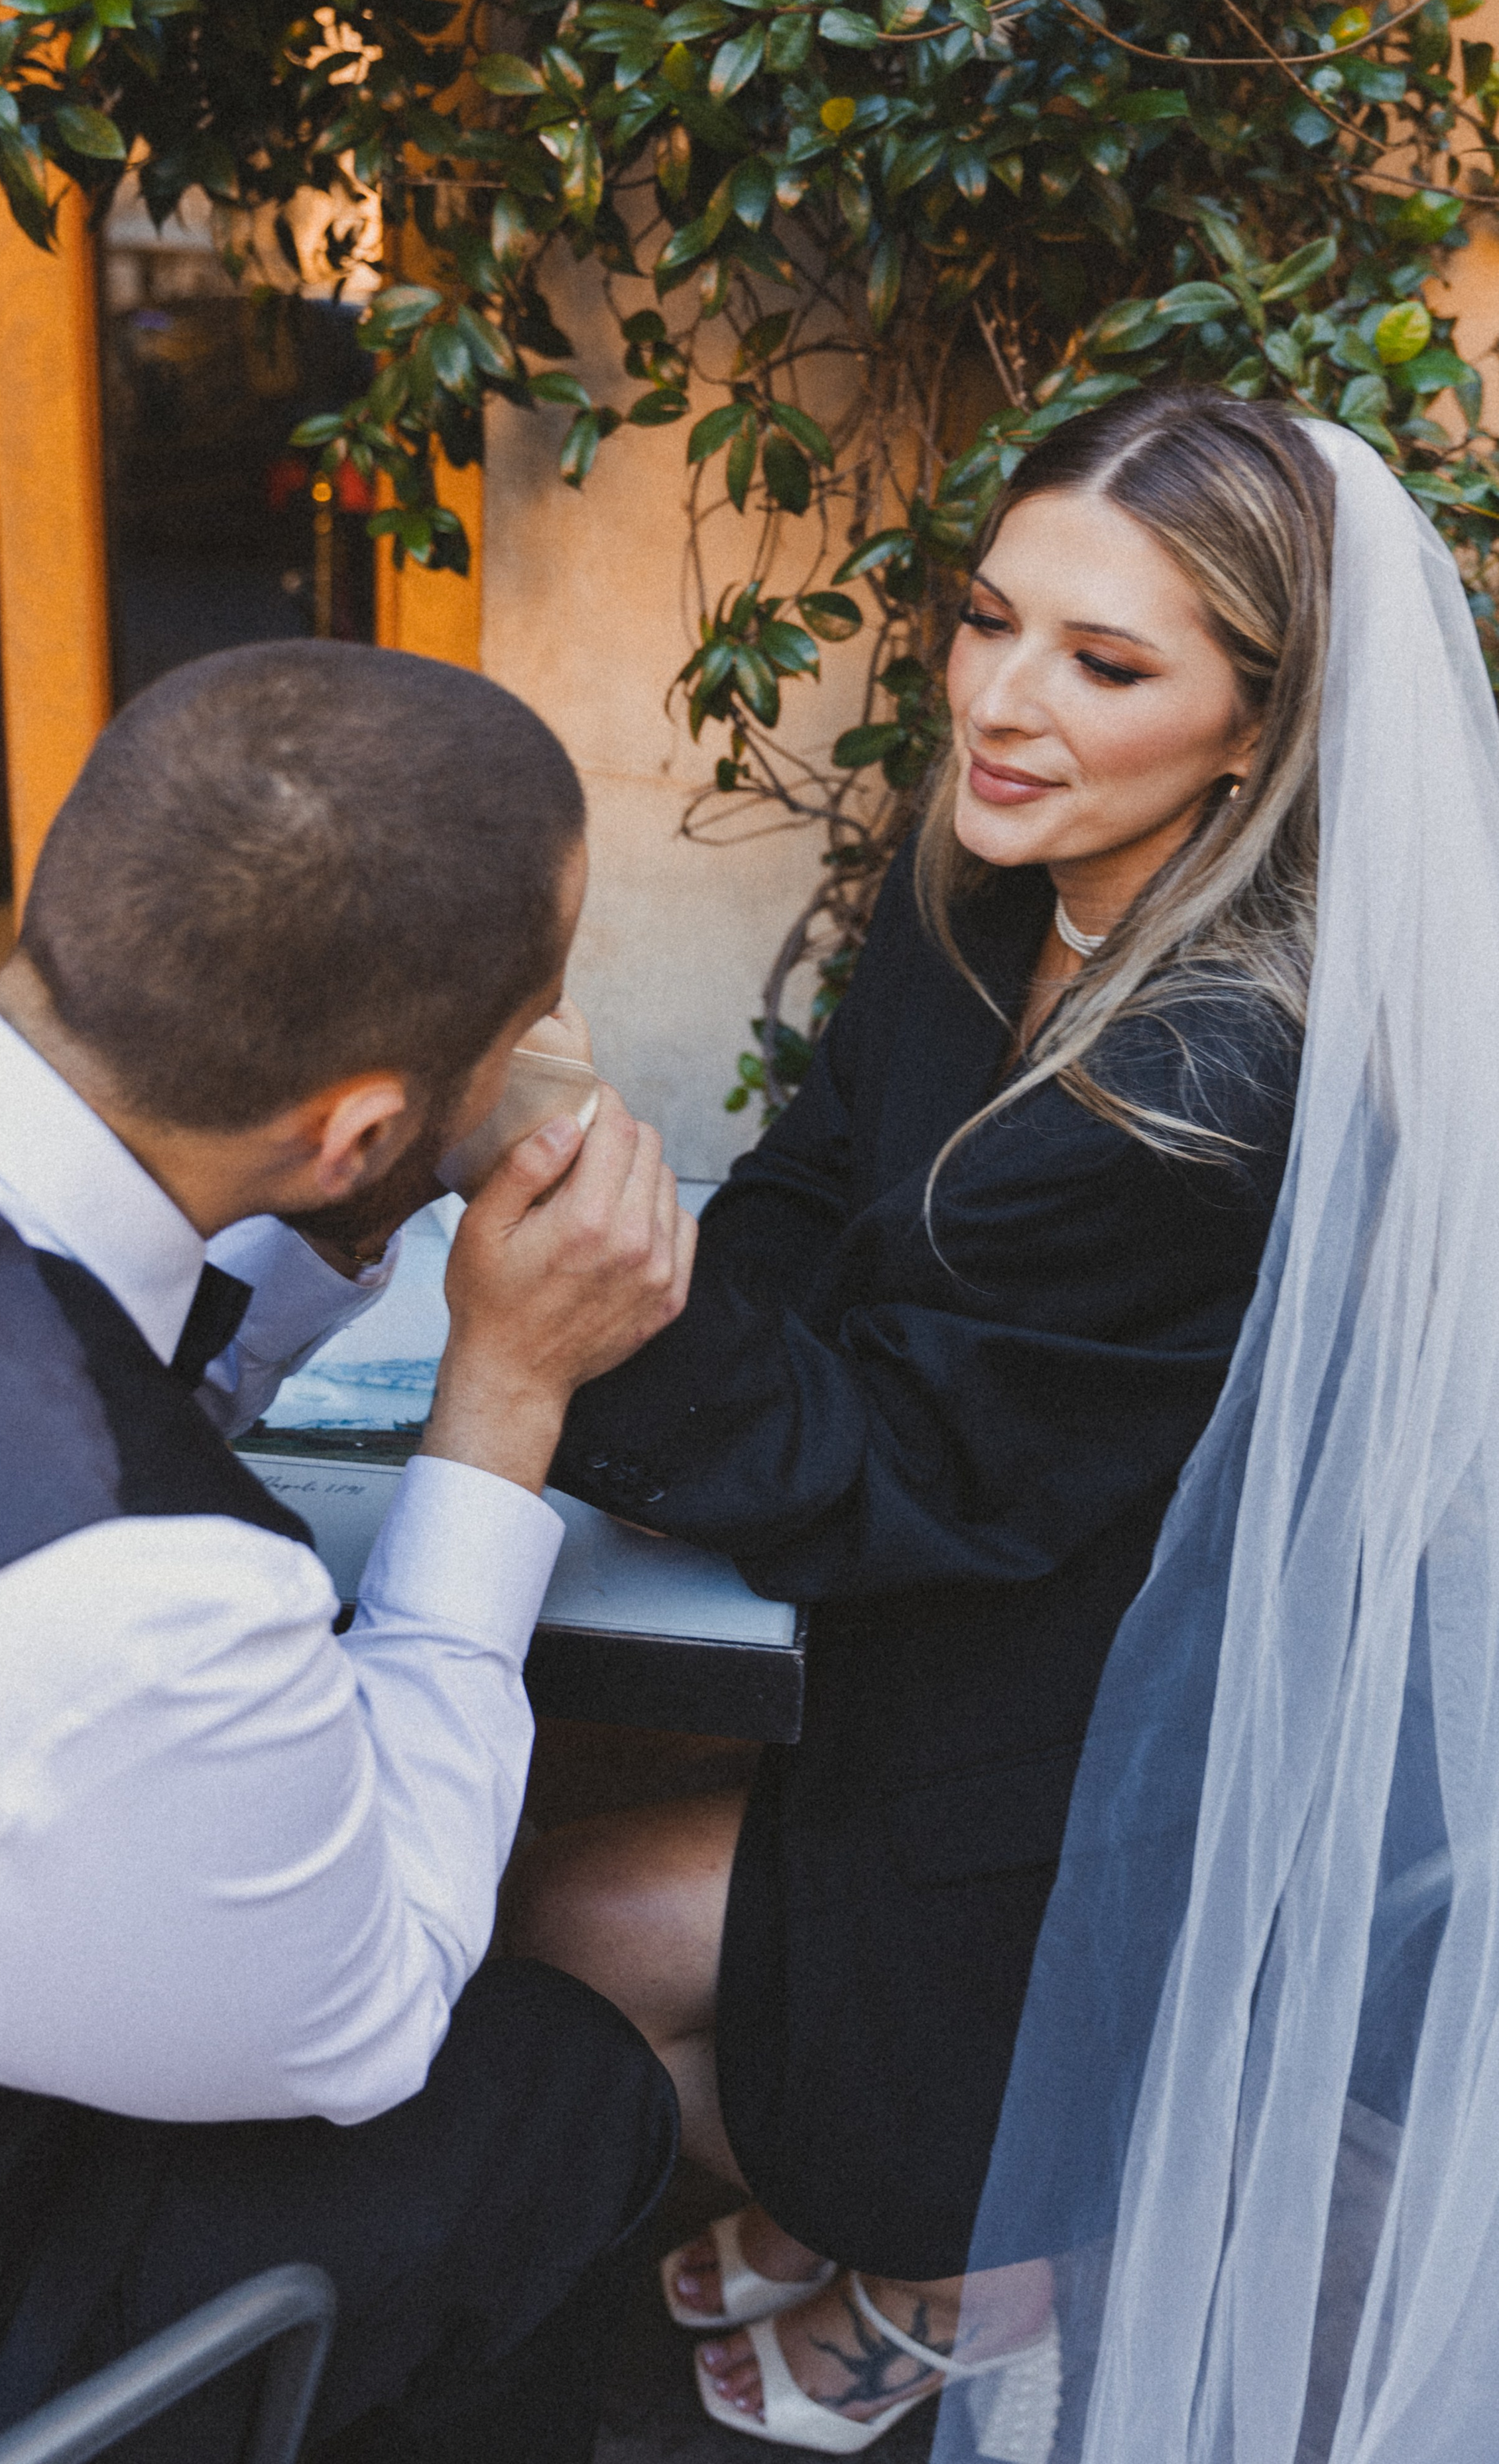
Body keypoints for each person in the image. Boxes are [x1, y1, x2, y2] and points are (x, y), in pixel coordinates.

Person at [505, 389, 1332, 2453]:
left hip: (1081, 1728)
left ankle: (981, 2256)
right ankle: (878, 2194)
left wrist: (561, 1272)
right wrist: (714, 1298)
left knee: (554, 1930)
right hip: (942, 1626)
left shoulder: (1200, 1089)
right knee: (571, 1852)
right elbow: (809, 1173)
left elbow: (885, 1470)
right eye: (989, 619)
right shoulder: (1001, 876)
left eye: (1108, 662)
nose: (1004, 702)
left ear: (1260, 728)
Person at [0, 643, 697, 2464]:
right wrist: (506, 1389)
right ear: (369, 1125)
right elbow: (364, 2012)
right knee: (540, 2096)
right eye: (530, 1013)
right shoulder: (138, 1594)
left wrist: (325, 1235)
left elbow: (21, 1327)